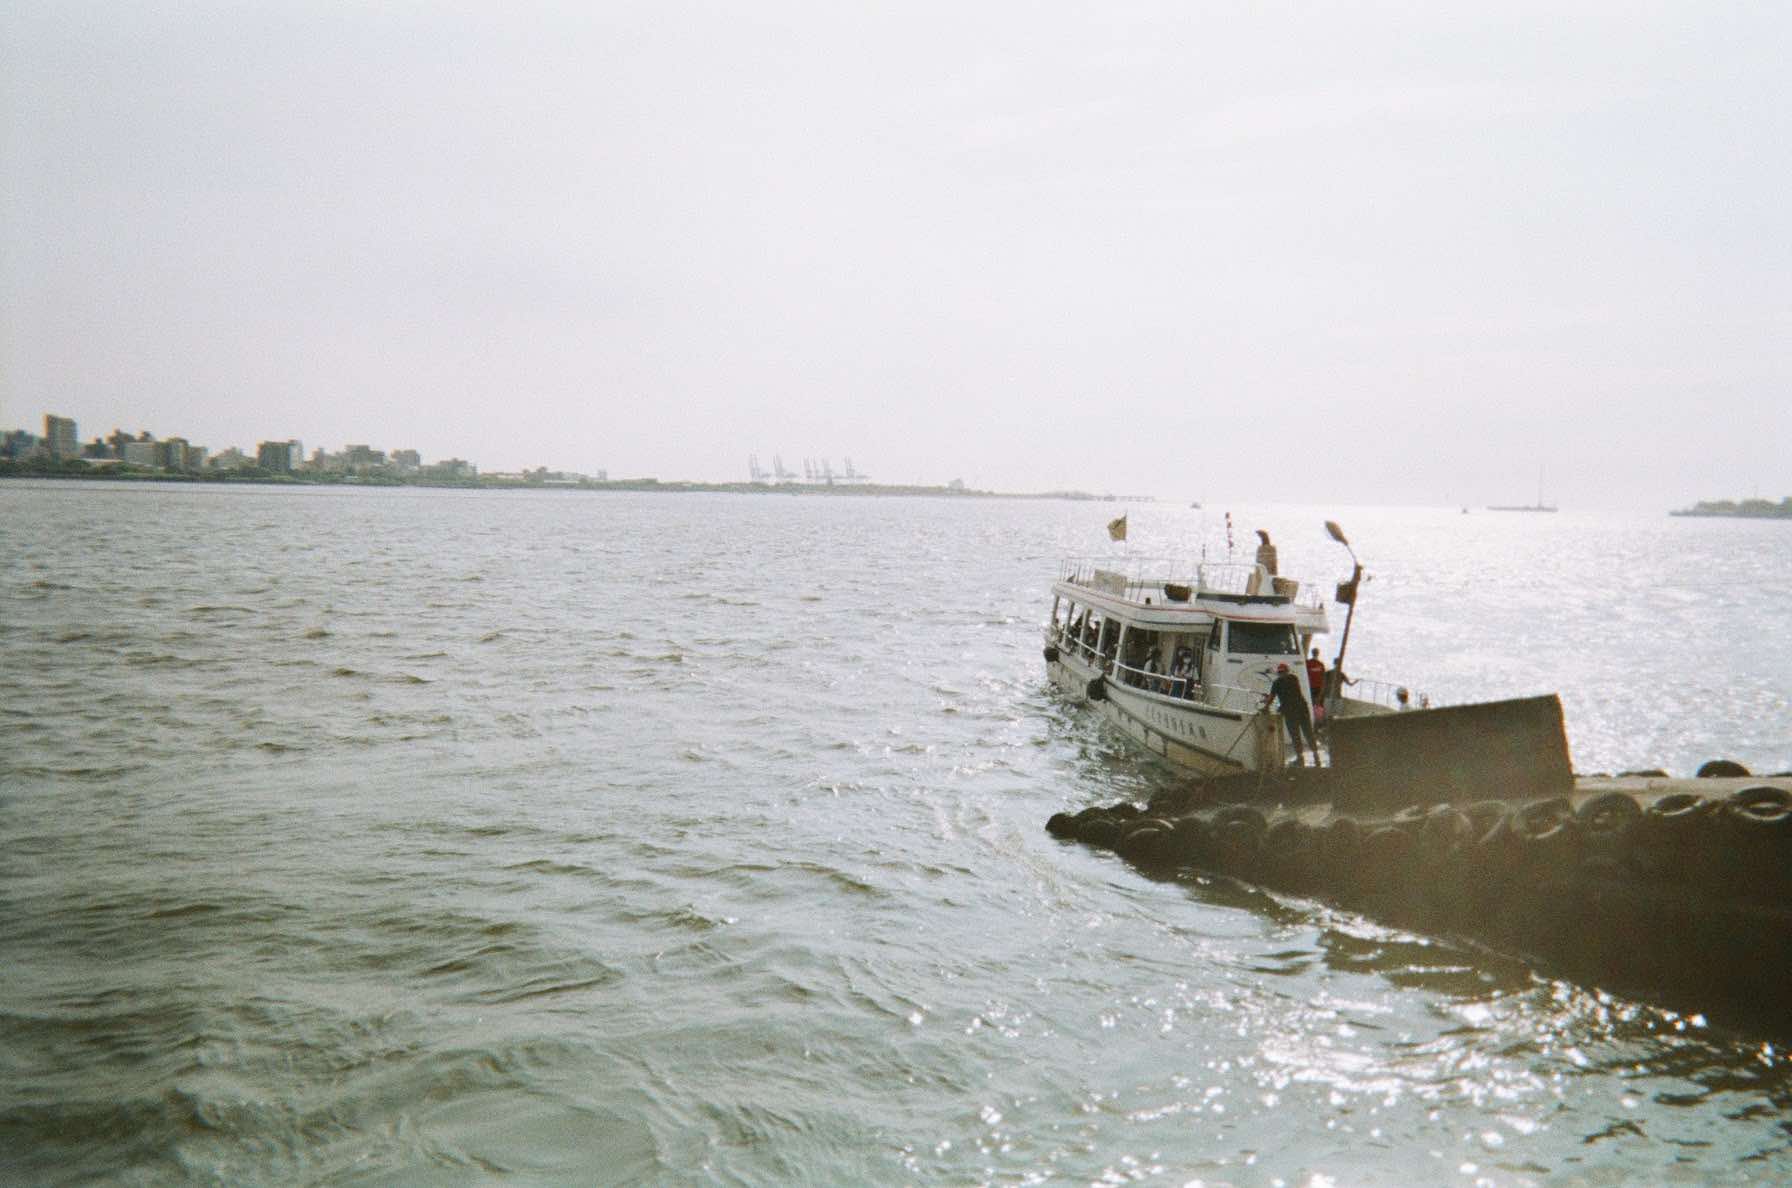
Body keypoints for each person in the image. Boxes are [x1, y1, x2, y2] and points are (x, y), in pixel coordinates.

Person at [1266, 662, 1320, 766]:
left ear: (1280, 672)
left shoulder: (1277, 683)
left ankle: (1300, 759)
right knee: (1308, 732)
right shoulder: (1294, 678)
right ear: (1287, 671)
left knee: (1295, 735)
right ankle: (1316, 757)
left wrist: (1265, 707)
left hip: (1290, 712)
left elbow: (1271, 699)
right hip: (1303, 709)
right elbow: (1289, 691)